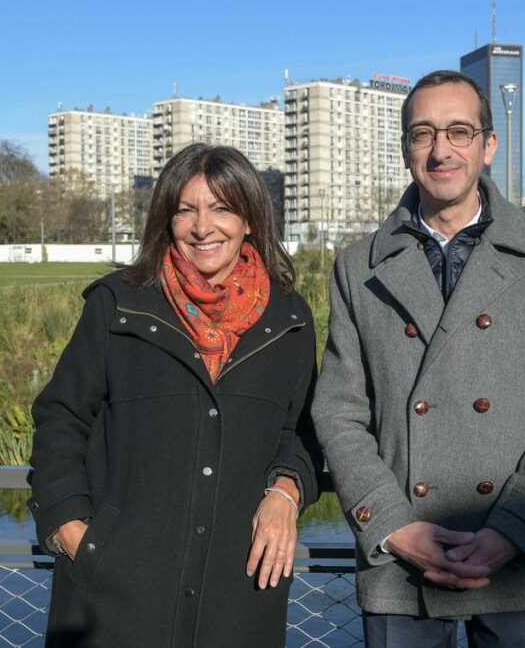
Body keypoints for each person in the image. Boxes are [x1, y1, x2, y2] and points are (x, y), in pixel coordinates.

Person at [313, 70, 525, 648]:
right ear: (405, 151)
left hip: (519, 557)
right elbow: (339, 413)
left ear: (488, 145)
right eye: (423, 134)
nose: (441, 149)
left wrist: (514, 528)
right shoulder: (357, 265)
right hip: (403, 559)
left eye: (459, 131)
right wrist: (393, 527)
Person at [28, 143, 322, 647]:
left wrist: (286, 491)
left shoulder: (289, 321)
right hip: (118, 594)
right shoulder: (119, 305)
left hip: (238, 592)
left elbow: (301, 434)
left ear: (250, 219)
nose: (203, 227)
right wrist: (73, 531)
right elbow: (61, 417)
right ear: (168, 220)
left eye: (222, 208)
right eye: (186, 210)